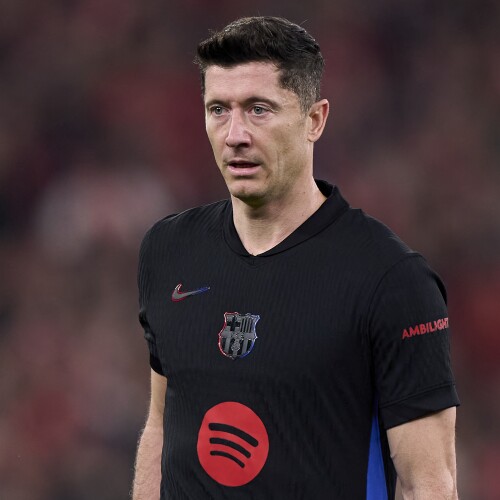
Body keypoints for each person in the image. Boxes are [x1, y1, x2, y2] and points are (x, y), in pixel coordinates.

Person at [132, 16, 459, 500]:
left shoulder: (392, 281)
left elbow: (426, 484)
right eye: (218, 109)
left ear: (315, 120)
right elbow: (161, 424)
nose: (234, 134)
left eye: (258, 109)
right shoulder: (168, 251)